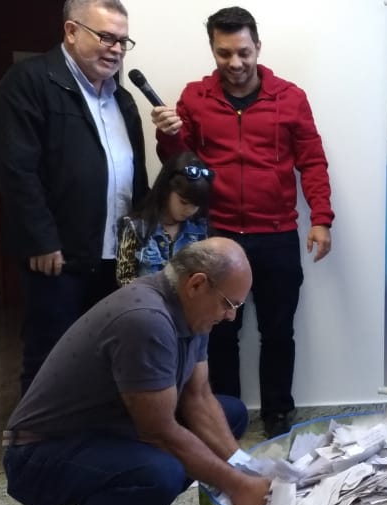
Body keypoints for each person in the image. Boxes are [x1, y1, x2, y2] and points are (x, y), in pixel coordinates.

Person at [2, 238, 271, 505]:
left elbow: (199, 398)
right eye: (229, 304)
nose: (231, 315)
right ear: (197, 284)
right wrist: (237, 486)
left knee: (230, 413)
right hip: (36, 455)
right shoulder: (146, 320)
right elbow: (158, 432)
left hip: (101, 431)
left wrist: (243, 468)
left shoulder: (192, 313)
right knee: (161, 470)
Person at [150, 6, 335, 438]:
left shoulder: (290, 97)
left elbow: (312, 162)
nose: (235, 63)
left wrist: (321, 219)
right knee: (217, 332)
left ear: (258, 47)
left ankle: (278, 413)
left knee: (278, 331)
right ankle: (225, 414)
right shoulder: (195, 98)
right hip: (216, 235)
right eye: (224, 53)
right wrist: (167, 133)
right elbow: (180, 164)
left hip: (277, 235)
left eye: (243, 52)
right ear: (213, 50)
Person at [0, 0, 149, 394]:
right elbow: (17, 170)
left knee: (107, 354)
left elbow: (135, 175)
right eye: (106, 37)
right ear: (71, 31)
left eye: (122, 41)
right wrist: (40, 240)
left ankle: (93, 428)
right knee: (52, 358)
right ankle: (37, 432)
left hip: (117, 255)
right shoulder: (29, 82)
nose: (115, 49)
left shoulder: (122, 99)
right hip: (59, 256)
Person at [115, 152, 213, 286]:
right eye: (183, 202)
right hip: (146, 298)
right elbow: (125, 279)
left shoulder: (201, 230)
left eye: (196, 205)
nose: (189, 210)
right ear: (166, 190)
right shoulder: (136, 227)